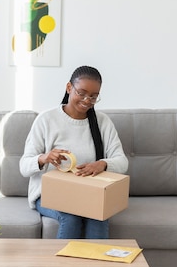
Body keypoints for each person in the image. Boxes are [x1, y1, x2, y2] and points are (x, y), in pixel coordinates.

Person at [19, 65, 128, 239]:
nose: (87, 100)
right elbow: (24, 167)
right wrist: (44, 158)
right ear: (69, 87)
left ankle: (96, 266)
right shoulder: (46, 120)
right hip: (48, 193)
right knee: (71, 218)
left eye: (93, 96)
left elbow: (122, 162)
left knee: (98, 217)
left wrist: (102, 164)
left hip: (88, 192)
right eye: (82, 93)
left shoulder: (102, 122)